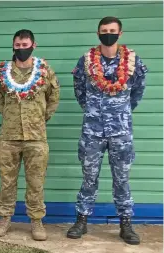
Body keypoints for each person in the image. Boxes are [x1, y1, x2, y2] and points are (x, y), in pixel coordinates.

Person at [67, 16, 147, 245]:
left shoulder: (133, 61)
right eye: (104, 30)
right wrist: (93, 110)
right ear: (98, 33)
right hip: (92, 131)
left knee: (121, 179)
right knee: (88, 177)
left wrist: (121, 111)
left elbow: (137, 92)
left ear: (120, 34)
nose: (108, 33)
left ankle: (126, 225)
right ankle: (81, 220)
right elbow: (79, 90)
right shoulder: (86, 61)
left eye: (112, 30)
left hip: (121, 131)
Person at [0, 29, 60, 241]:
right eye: (18, 45)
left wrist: (39, 119)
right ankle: (4, 219)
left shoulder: (45, 70)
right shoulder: (4, 72)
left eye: (25, 45)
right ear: (14, 46)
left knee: (36, 182)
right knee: (7, 181)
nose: (22, 49)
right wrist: (11, 118)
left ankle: (36, 222)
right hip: (9, 136)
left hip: (36, 137)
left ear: (33, 45)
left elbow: (53, 98)